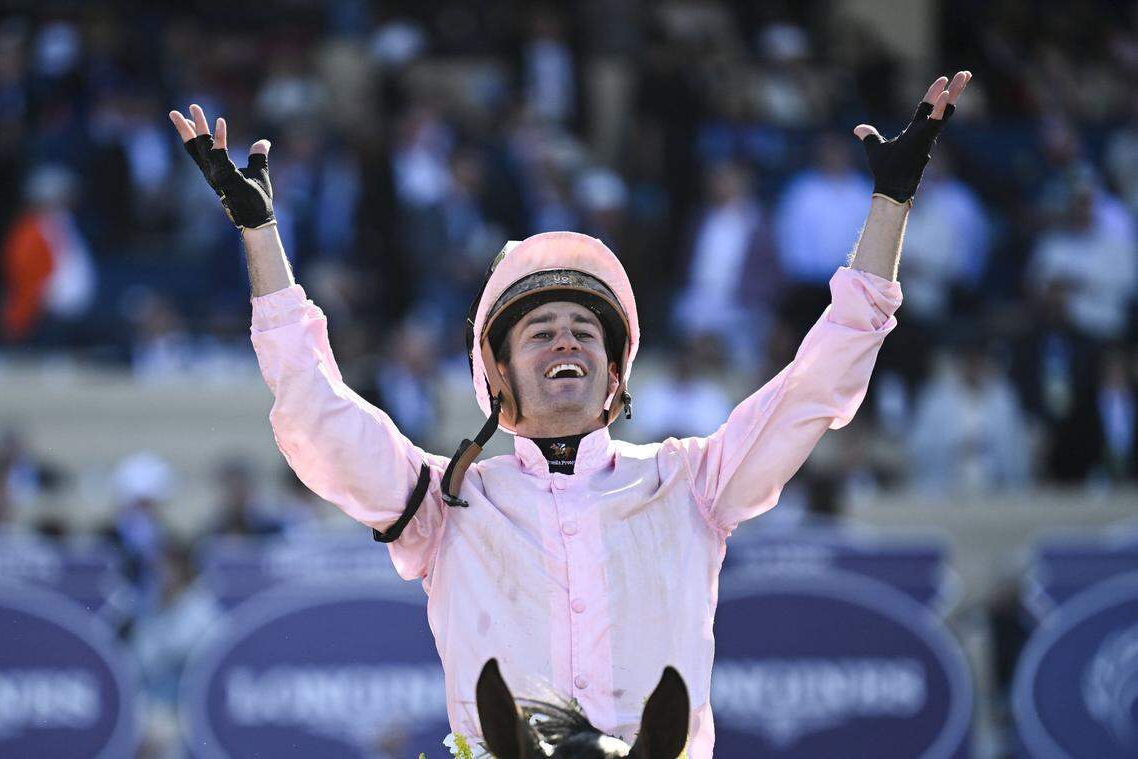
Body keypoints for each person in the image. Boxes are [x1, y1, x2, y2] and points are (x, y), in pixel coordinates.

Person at [169, 70, 971, 758]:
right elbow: (315, 413)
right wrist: (260, 234)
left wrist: (891, 205)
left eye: (585, 331)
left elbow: (816, 383)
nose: (567, 341)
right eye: (541, 331)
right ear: (498, 374)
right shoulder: (442, 503)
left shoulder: (693, 481)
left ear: (615, 374)